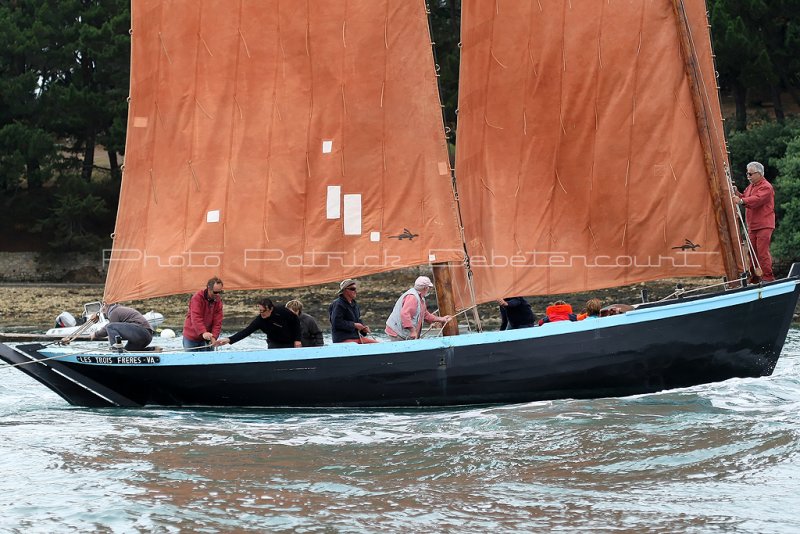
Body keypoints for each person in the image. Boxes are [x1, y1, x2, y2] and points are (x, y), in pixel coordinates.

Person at [733, 161, 775, 282]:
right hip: (752, 226)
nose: (748, 176)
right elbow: (745, 198)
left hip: (764, 225)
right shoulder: (750, 187)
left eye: (750, 174)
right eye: (747, 173)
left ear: (759, 173)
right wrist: (737, 194)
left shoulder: (766, 187)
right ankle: (754, 279)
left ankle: (768, 278)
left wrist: (740, 200)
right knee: (751, 254)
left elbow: (756, 200)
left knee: (762, 253)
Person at [63, 303, 156, 351]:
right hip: (147, 338)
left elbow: (109, 328)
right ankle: (151, 350)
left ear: (105, 305)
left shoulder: (114, 311)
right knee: (127, 352)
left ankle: (115, 349)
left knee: (110, 326)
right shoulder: (119, 310)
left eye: (102, 307)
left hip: (141, 333)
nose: (102, 311)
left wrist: (95, 334)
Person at [385, 276, 452, 341]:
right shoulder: (413, 298)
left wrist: (442, 319)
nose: (429, 289)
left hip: (400, 332)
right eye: (429, 287)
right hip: (396, 332)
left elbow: (426, 315)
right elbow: (404, 314)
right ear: (425, 288)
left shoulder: (420, 298)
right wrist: (413, 331)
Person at [216, 298, 302, 349]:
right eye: (260, 311)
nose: (261, 313)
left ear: (271, 309)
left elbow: (296, 321)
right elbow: (246, 332)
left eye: (263, 311)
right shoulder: (260, 320)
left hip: (290, 341)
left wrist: (297, 340)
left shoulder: (282, 311)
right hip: (274, 343)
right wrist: (229, 339)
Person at [329, 279, 378, 343]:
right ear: (344, 290)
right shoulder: (338, 304)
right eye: (352, 289)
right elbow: (336, 322)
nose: (355, 291)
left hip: (355, 337)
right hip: (342, 339)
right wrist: (354, 325)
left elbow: (358, 321)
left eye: (355, 289)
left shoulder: (355, 304)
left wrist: (363, 329)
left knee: (374, 342)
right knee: (375, 343)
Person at [183, 276, 224, 351]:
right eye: (215, 292)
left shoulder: (218, 301)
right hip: (191, 337)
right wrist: (203, 332)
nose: (217, 294)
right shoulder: (197, 298)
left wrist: (214, 337)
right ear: (209, 288)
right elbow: (196, 317)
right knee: (191, 361)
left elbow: (218, 322)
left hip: (208, 339)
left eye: (220, 292)